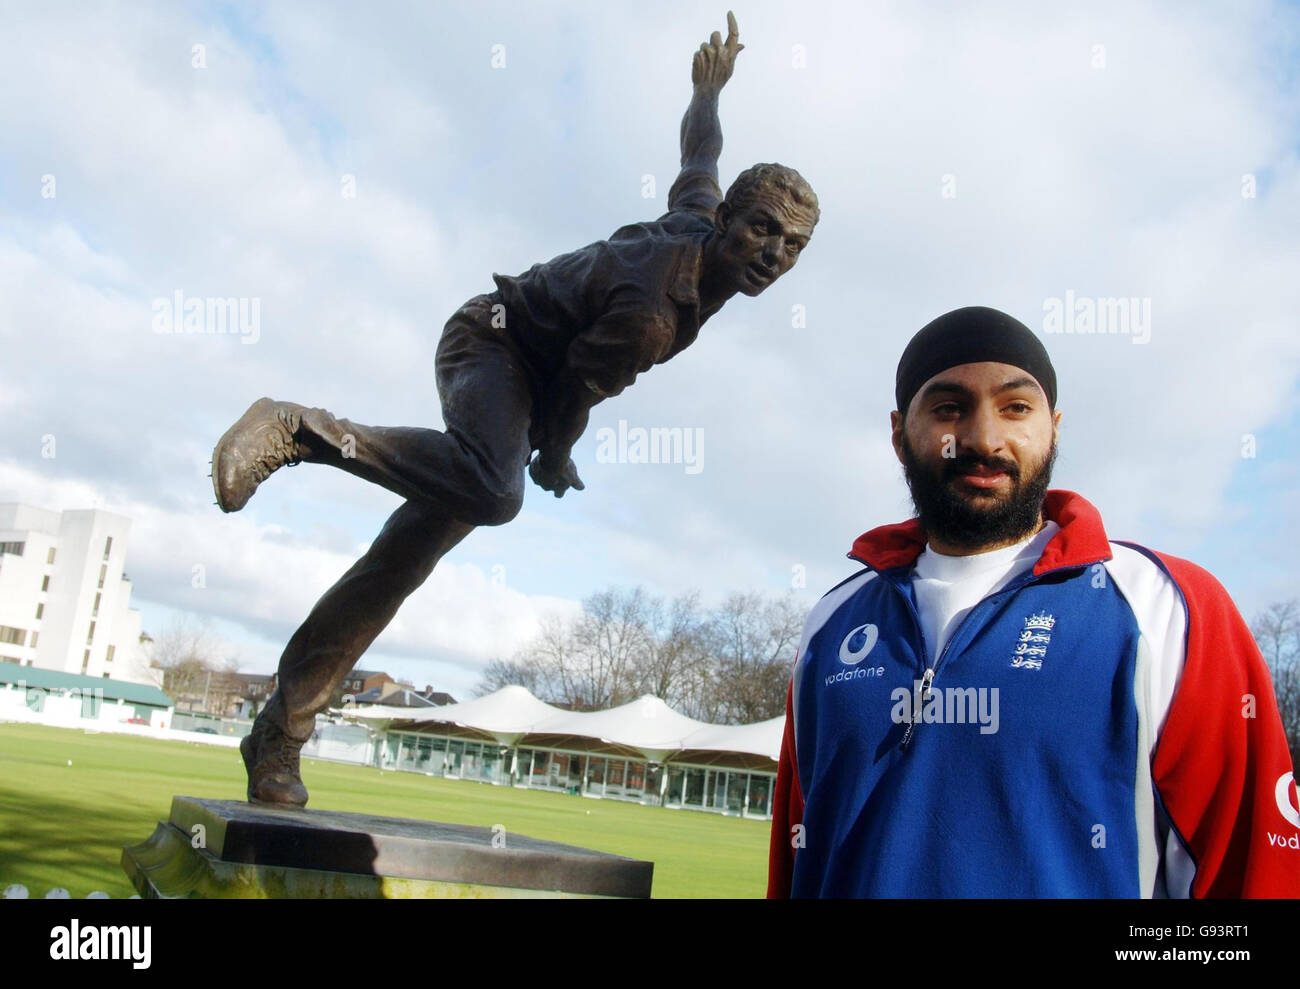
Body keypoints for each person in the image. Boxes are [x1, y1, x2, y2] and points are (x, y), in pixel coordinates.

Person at [210, 12, 819, 806]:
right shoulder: (652, 310)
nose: (774, 254)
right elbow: (574, 391)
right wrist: (556, 453)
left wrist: (709, 90)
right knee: (497, 490)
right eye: (764, 232)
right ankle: (303, 430)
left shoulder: (700, 223)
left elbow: (700, 151)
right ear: (730, 222)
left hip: (522, 383)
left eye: (793, 245)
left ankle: (280, 733)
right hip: (491, 343)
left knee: (399, 562)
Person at [767, 306, 1300, 898]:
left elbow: (1252, 877)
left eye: (1016, 407)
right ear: (899, 435)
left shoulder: (1167, 608)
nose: (984, 439)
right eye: (949, 408)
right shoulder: (832, 622)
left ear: (1053, 428)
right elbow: (798, 864)